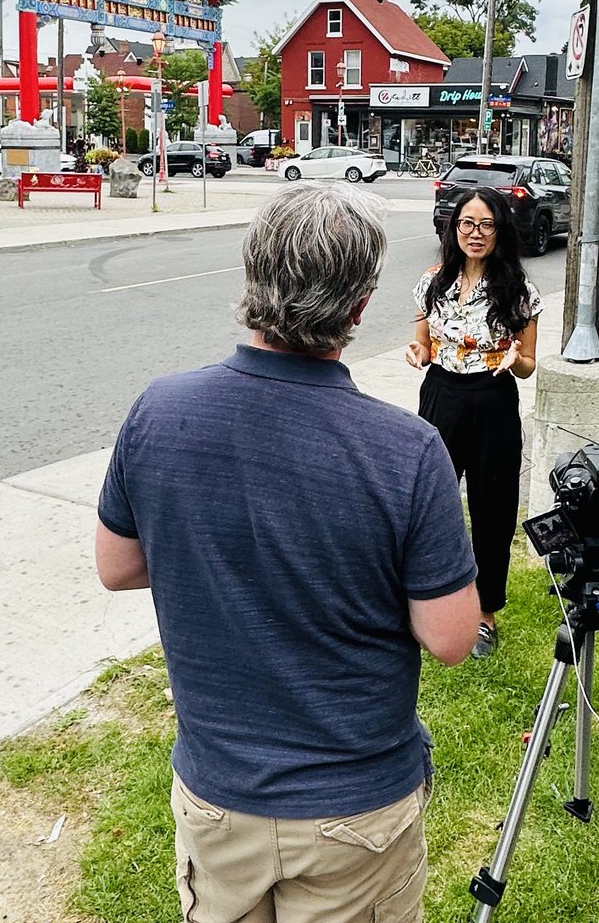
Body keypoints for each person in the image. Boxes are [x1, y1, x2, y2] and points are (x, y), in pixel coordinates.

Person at [96, 182, 480, 923]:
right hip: (356, 811)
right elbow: (451, 637)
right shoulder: (407, 451)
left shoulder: (160, 409)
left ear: (251, 278)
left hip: (217, 796)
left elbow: (117, 566)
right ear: (361, 305)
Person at [405, 186, 542, 659]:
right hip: (441, 396)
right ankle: (424, 599)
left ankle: (485, 614)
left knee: (493, 510)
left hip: (494, 400)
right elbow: (423, 341)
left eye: (486, 225)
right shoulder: (433, 280)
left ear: (500, 230)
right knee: (430, 503)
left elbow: (528, 363)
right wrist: (418, 351)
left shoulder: (519, 290)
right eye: (467, 224)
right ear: (454, 228)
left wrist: (515, 360)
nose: (476, 234)